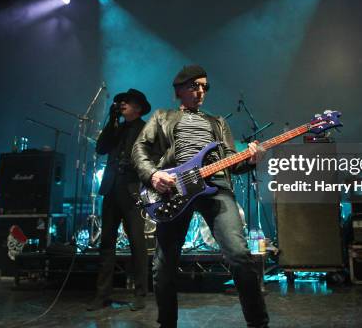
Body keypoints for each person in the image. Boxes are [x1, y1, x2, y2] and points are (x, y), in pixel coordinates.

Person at [132, 65, 269, 328]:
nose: (201, 91)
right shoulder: (162, 116)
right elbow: (139, 148)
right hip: (174, 188)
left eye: (204, 87)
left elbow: (232, 162)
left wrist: (252, 159)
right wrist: (152, 175)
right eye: (195, 86)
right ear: (179, 90)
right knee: (163, 266)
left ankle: (259, 324)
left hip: (215, 186)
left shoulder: (217, 122)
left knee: (240, 255)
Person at [87, 88, 151, 312]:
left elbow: (153, 158)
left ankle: (140, 294)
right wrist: (112, 119)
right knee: (107, 243)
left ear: (139, 107)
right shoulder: (116, 127)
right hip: (111, 189)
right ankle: (102, 295)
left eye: (128, 102)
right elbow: (100, 148)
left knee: (137, 243)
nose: (123, 104)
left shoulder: (146, 129)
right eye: (121, 102)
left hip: (133, 191)